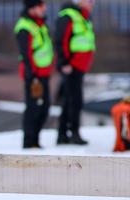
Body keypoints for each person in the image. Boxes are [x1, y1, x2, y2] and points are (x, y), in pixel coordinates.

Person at [55, 0, 96, 145]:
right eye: (89, 0)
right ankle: (74, 133)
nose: (92, 3)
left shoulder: (83, 17)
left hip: (79, 66)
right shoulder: (69, 16)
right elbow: (60, 40)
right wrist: (64, 63)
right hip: (71, 66)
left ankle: (62, 135)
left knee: (68, 100)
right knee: (75, 101)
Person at [15, 0, 54, 149]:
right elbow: (26, 54)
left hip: (44, 73)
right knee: (33, 107)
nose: (44, 8)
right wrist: (32, 76)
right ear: (33, 7)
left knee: (44, 108)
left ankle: (35, 140)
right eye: (41, 5)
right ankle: (29, 141)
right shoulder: (25, 27)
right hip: (34, 75)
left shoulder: (39, 24)